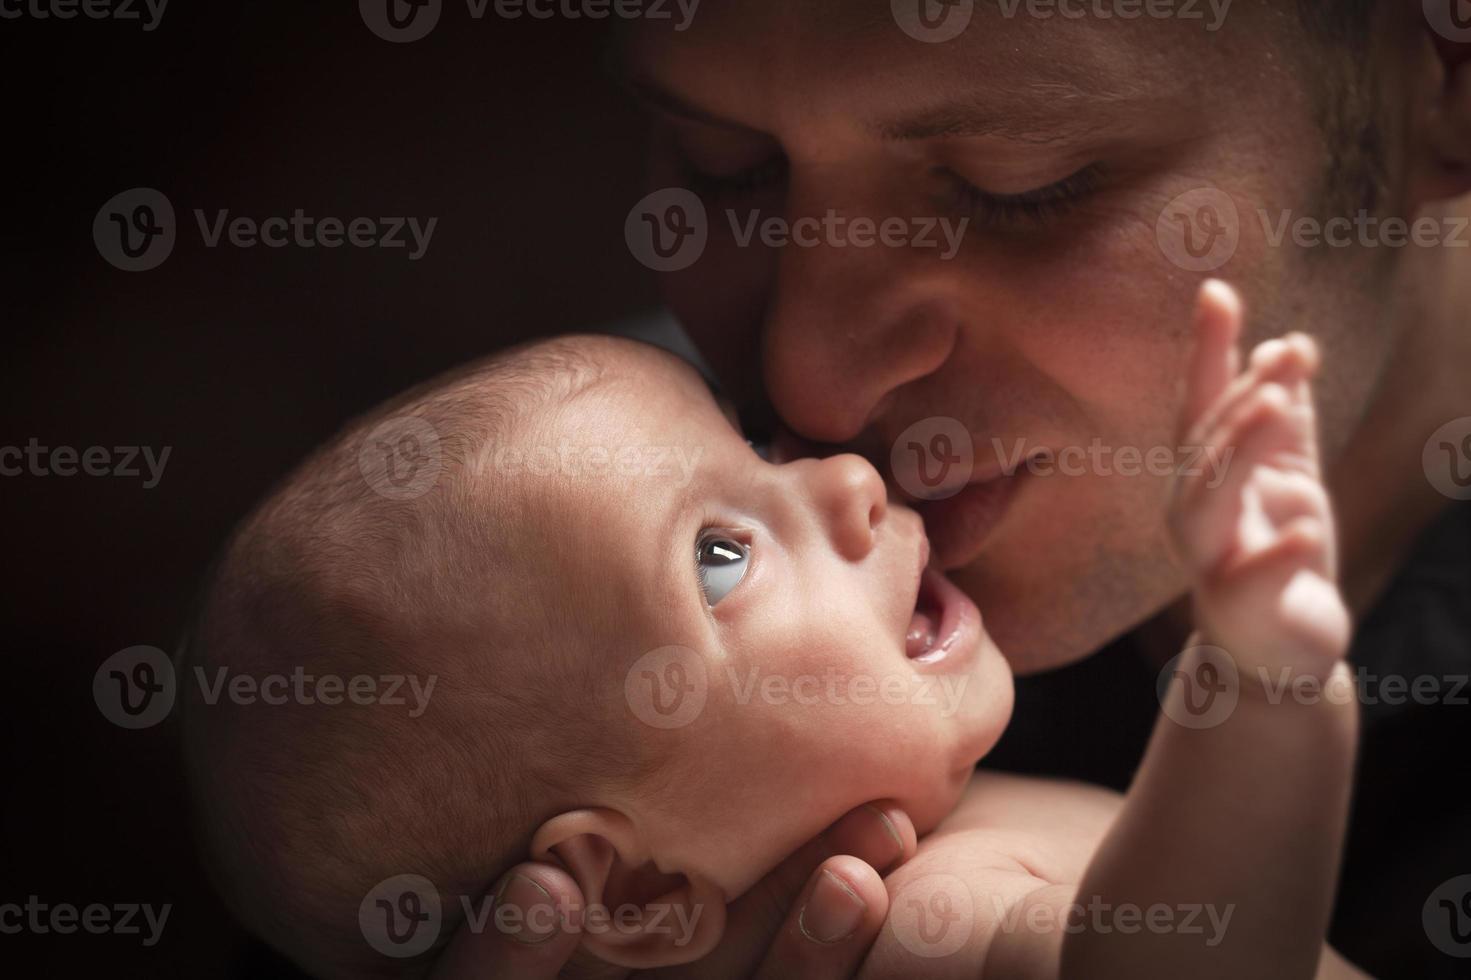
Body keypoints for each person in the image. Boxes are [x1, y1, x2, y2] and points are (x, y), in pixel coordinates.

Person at [494, 1, 1471, 976]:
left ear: (1444, 75)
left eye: (1018, 185)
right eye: (725, 165)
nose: (809, 389)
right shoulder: (531, 517)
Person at [185, 281, 1367, 978]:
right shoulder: (918, 920)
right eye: (718, 554)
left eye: (755, 447)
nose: (847, 477)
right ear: (636, 888)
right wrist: (1262, 673)